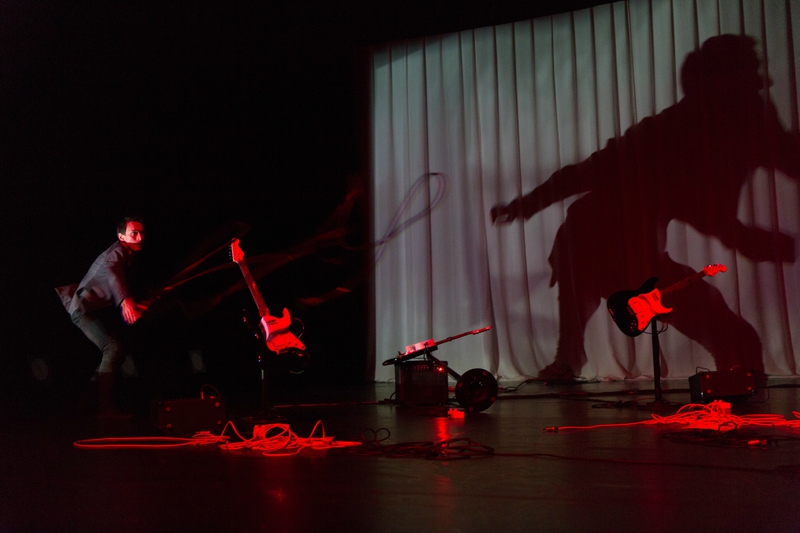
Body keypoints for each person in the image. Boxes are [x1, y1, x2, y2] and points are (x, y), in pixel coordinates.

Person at [491, 35, 799, 380]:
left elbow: (781, 158)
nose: (751, 92)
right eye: (742, 78)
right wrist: (524, 205)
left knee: (736, 340)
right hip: (601, 240)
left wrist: (748, 237)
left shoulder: (748, 118)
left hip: (630, 249)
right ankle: (568, 358)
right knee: (731, 337)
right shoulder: (671, 131)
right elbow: (593, 173)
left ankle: (569, 358)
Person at [58, 216, 149, 418]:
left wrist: (135, 301)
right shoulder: (117, 252)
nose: (140, 237)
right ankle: (104, 408)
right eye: (134, 233)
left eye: (142, 233)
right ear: (121, 236)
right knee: (113, 347)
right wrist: (125, 300)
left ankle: (87, 402)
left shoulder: (128, 255)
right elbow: (112, 272)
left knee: (115, 349)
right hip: (82, 310)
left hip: (91, 310)